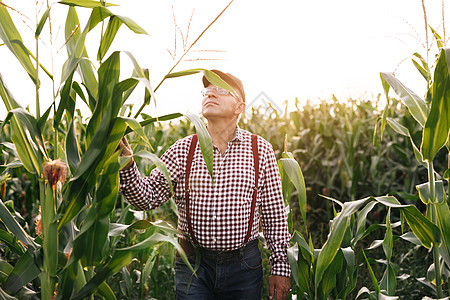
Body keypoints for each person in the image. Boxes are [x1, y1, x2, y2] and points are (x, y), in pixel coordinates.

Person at [118, 70, 291, 300]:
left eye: (221, 90)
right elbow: (146, 198)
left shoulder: (260, 150)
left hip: (244, 266)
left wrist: (280, 268)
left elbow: (274, 215)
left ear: (240, 107)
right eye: (208, 90)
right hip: (193, 266)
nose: (211, 94)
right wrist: (126, 163)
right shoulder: (182, 150)